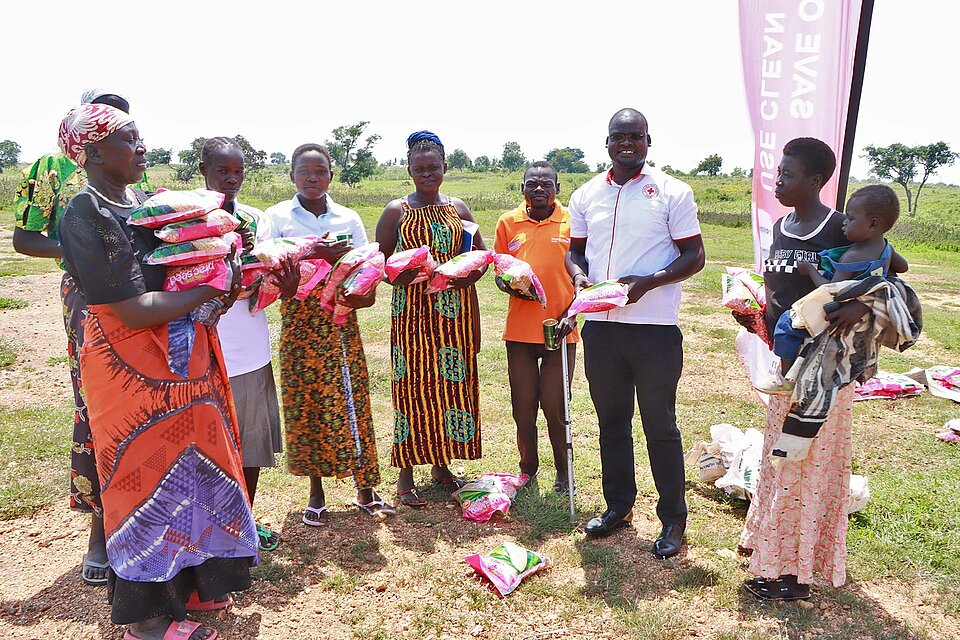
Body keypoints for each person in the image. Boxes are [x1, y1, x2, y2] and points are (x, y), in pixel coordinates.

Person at [56, 103, 256, 640]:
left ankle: (190, 590)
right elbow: (130, 308)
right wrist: (211, 288)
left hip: (183, 362)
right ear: (94, 152)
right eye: (131, 140)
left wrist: (227, 272)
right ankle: (145, 620)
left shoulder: (146, 206)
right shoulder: (85, 213)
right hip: (130, 371)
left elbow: (177, 276)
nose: (143, 148)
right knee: (139, 478)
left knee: (192, 470)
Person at [559, 108, 704, 559]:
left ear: (647, 141)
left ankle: (673, 518)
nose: (627, 144)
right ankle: (618, 505)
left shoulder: (672, 192)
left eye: (635, 137)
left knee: (660, 425)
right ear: (607, 144)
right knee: (611, 423)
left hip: (654, 329)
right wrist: (579, 278)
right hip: (601, 329)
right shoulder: (586, 195)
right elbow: (575, 254)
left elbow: (694, 256)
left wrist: (648, 283)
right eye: (619, 137)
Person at [736, 137, 873, 600]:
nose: (778, 180)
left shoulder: (841, 229)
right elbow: (783, 293)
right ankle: (769, 547)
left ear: (815, 181)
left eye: (788, 174)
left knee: (805, 466)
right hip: (786, 365)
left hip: (824, 374)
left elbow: (884, 277)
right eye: (778, 172)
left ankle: (795, 575)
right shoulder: (782, 226)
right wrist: (755, 311)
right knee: (780, 458)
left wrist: (859, 307)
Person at [12, 90, 138, 587]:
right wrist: (90, 244)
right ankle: (100, 532)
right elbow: (25, 239)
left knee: (139, 401)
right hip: (87, 297)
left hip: (135, 293)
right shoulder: (51, 168)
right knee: (97, 404)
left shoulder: (133, 171)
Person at [263, 143, 393, 524]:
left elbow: (366, 266)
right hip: (300, 321)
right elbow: (269, 260)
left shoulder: (348, 217)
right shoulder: (277, 216)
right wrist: (315, 252)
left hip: (340, 320)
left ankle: (365, 488)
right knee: (307, 402)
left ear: (331, 176)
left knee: (351, 397)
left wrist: (354, 284)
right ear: (292, 175)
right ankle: (316, 492)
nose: (312, 178)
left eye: (320, 171)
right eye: (305, 171)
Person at [375, 131, 486, 507]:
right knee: (413, 386)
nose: (427, 174)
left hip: (454, 313)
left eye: (433, 167)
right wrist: (399, 275)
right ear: (408, 170)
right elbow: (379, 265)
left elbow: (480, 258)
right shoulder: (396, 211)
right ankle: (405, 473)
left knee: (450, 387)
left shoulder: (460, 209)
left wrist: (468, 274)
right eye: (419, 168)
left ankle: (441, 465)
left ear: (444, 168)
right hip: (412, 313)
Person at [199, 137, 283, 550]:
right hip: (203, 352)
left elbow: (265, 283)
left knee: (250, 443)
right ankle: (210, 528)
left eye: (238, 172)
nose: (230, 180)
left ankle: (243, 522)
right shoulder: (186, 220)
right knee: (206, 447)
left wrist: (267, 271)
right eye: (221, 172)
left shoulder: (255, 219)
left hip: (249, 350)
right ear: (203, 172)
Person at [757, 184, 908, 395]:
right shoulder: (885, 247)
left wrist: (809, 269)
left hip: (837, 308)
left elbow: (829, 289)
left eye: (851, 219)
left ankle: (785, 378)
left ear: (873, 224)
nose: (844, 223)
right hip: (858, 318)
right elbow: (903, 267)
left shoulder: (852, 256)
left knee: (786, 324)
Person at [494, 160, 579, 492]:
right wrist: (511, 286)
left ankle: (563, 470)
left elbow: (584, 276)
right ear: (523, 189)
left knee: (555, 405)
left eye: (546, 184)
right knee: (523, 406)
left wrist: (571, 316)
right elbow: (500, 272)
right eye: (533, 184)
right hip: (520, 333)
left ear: (558, 188)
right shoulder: (508, 223)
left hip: (561, 330)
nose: (539, 189)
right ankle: (528, 468)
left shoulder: (572, 222)